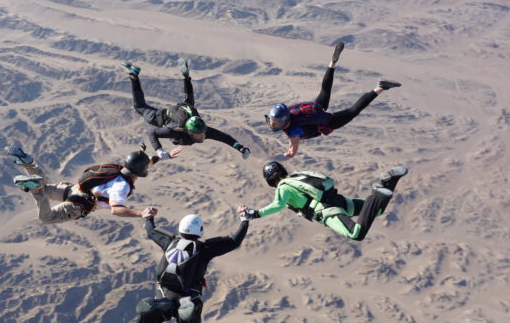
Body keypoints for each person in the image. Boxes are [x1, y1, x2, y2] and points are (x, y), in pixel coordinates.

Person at [129, 208, 251, 323]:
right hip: (188, 297)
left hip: (163, 294)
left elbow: (151, 231)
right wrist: (245, 219)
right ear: (199, 230)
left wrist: (148, 217)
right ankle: (187, 318)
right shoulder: (204, 248)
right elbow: (234, 241)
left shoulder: (169, 241)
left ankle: (150, 312)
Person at [265, 42, 402, 158]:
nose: (273, 124)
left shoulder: (293, 130)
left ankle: (380, 87)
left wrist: (290, 153)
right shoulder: (290, 113)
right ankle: (332, 63)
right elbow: (293, 134)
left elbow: (294, 143)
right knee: (325, 90)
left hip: (327, 121)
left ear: (284, 121)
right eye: (272, 121)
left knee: (353, 110)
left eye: (276, 123)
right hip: (315, 107)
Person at [122, 58, 251, 161]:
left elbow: (225, 138)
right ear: (189, 132)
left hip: (182, 110)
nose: (202, 137)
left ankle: (185, 76)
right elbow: (152, 133)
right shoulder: (176, 131)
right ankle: (134, 76)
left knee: (189, 100)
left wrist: (241, 149)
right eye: (199, 134)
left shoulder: (203, 130)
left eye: (202, 133)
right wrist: (160, 151)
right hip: (160, 117)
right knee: (139, 107)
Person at [242, 161, 408, 241]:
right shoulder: (296, 176)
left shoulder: (283, 187)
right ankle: (387, 182)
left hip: (326, 210)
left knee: (356, 233)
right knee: (376, 210)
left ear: (270, 181)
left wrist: (255, 213)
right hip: (337, 200)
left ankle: (377, 193)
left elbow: (277, 205)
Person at [7, 145, 177, 223]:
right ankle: (36, 190)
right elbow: (116, 210)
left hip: (73, 189)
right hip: (77, 205)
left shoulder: (118, 168)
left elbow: (142, 162)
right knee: (46, 217)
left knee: (46, 186)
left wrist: (162, 156)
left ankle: (28, 164)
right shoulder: (122, 186)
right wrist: (141, 214)